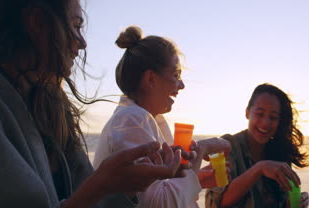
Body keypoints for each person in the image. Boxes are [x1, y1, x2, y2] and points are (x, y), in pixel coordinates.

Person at [0, 0, 187, 208]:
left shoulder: (51, 107)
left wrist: (125, 186)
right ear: (37, 23)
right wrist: (103, 185)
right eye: (75, 26)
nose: (82, 42)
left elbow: (85, 192)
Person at [93, 26, 231, 207]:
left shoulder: (144, 119)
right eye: (176, 75)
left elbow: (152, 192)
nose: (181, 85)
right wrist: (202, 149)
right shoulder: (131, 120)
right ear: (150, 79)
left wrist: (197, 180)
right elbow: (160, 204)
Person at [205, 83, 309, 208]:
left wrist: (291, 204)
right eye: (260, 114)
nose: (265, 123)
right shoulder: (227, 146)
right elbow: (220, 202)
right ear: (247, 112)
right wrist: (259, 169)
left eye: (273, 117)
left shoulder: (280, 151)